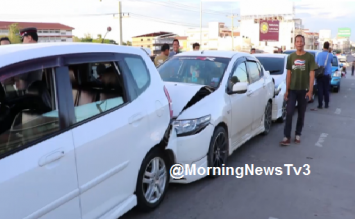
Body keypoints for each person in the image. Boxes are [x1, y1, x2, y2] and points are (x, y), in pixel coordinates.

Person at [280, 35, 318, 146]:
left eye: (301, 41)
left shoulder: (309, 57)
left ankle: (298, 134)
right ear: (295, 43)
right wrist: (287, 90)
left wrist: (310, 91)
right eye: (297, 41)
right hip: (292, 89)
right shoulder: (291, 57)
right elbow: (288, 74)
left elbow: (312, 74)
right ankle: (286, 136)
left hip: (304, 90)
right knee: (289, 112)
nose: (299, 43)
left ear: (304, 43)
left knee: (301, 114)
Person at [315, 41, 333, 109]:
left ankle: (320, 105)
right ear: (328, 47)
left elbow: (316, 63)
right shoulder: (330, 55)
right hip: (327, 74)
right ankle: (326, 104)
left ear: (323, 46)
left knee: (320, 90)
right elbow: (332, 62)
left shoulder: (319, 54)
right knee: (326, 90)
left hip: (319, 74)